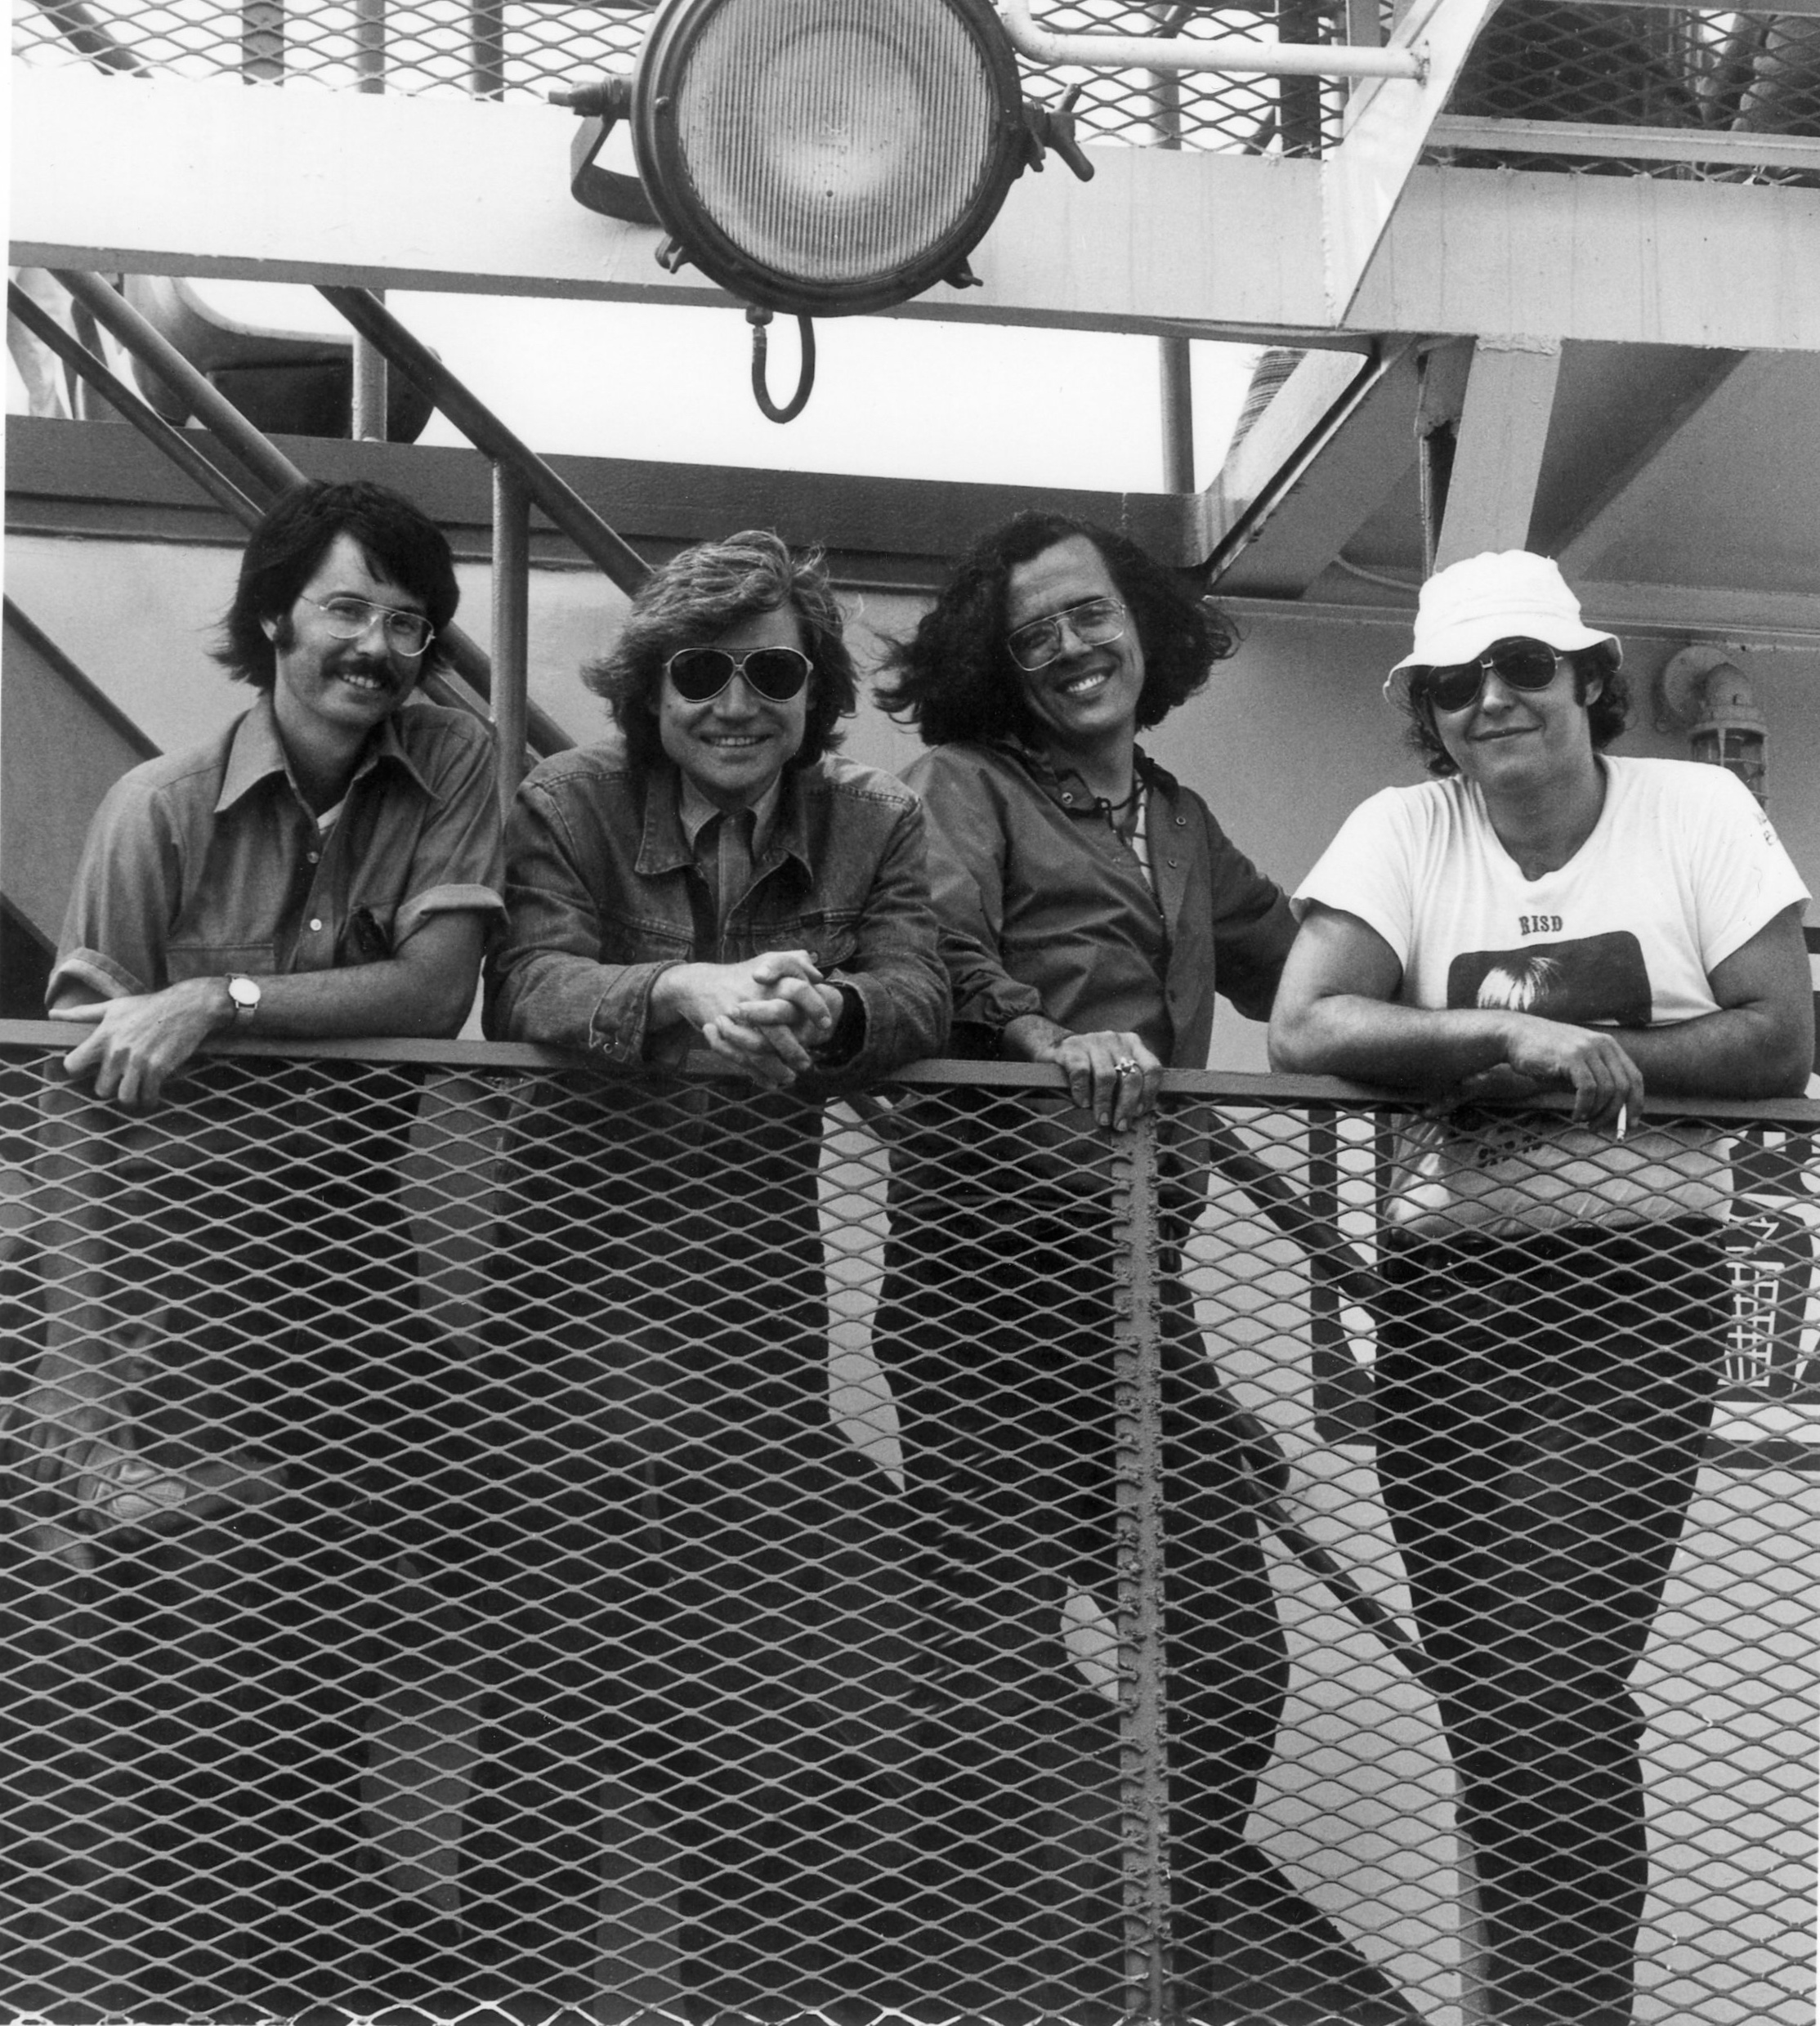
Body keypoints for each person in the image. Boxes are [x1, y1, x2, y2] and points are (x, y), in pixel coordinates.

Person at [872, 510, 1414, 2025]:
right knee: (987, 1672)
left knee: (1233, 1661)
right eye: (1032, 629)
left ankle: (1132, 1953)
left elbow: (1300, 966)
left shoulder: (1175, 819)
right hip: (985, 1281)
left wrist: (1469, 987)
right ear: (999, 656)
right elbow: (938, 945)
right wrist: (1054, 1039)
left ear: (1145, 626)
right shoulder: (966, 784)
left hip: (1131, 1286)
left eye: (1090, 615)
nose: (1067, 649)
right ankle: (986, 1984)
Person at [1269, 550, 1813, 2026]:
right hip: (1452, 1295)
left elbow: (1779, 1039)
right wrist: (1497, 1044)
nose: (1492, 701)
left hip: (1636, 1286)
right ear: (1432, 713)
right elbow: (1304, 1024)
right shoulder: (1406, 824)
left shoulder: (1693, 810)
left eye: (1521, 666)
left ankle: (1571, 2012)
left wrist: (1606, 1070)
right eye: (1456, 684)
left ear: (1588, 677)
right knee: (1492, 1698)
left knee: (1548, 1669)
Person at [11, 478, 503, 2012]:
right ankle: (155, 1978)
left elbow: (431, 994)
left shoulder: (454, 766)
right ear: (277, 611)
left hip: (353, 1296)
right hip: (185, 1307)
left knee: (388, 1649)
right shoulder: (155, 809)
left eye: (409, 621)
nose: (378, 645)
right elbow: (81, 1115)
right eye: (349, 609)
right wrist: (83, 1419)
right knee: (186, 1693)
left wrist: (210, 1003)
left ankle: (346, 1959)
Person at [476, 530, 949, 2014]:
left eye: (773, 672)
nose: (734, 703)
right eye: (698, 672)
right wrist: (685, 988)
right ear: (646, 689)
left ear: (813, 694)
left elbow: (924, 986)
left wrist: (826, 1006)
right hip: (570, 1331)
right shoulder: (570, 800)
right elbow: (528, 980)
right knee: (545, 1731)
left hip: (747, 1339)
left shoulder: (869, 819)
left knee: (762, 1741)